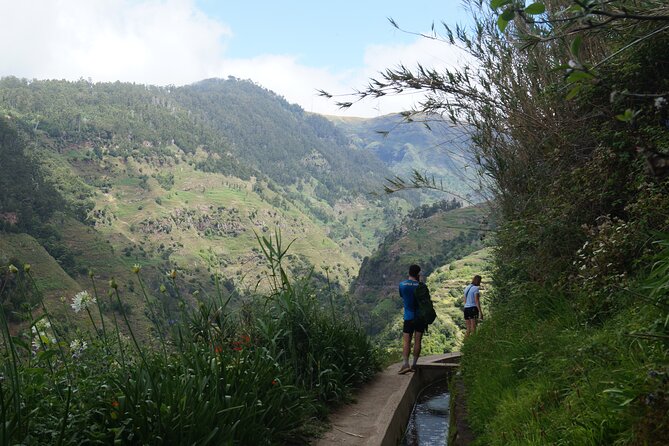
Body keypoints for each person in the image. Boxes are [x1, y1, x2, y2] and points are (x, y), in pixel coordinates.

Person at [398, 264, 425, 374]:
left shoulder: (402, 285)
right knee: (418, 341)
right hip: (420, 318)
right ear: (418, 274)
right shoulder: (421, 286)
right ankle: (414, 365)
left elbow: (402, 296)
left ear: (409, 272)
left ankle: (405, 364)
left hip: (408, 317)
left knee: (406, 341)